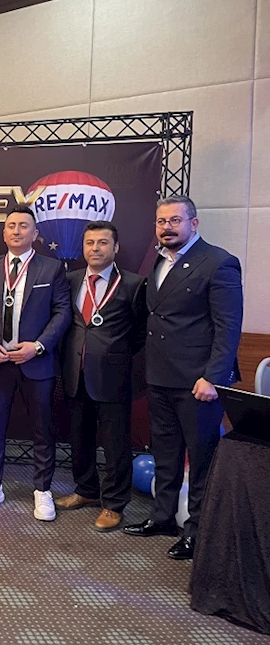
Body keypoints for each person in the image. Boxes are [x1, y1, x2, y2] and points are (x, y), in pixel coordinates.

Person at [123, 196, 243, 560]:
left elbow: (228, 327)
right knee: (165, 454)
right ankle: (161, 518)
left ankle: (196, 533)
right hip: (160, 377)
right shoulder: (160, 260)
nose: (167, 228)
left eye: (175, 220)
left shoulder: (219, 262)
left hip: (198, 384)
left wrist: (213, 378)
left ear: (194, 223)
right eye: (161, 221)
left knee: (201, 460)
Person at [0, 205, 70, 521]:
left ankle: (43, 490)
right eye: (11, 225)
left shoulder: (51, 268)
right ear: (4, 233)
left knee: (42, 429)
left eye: (23, 226)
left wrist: (37, 347)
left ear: (35, 234)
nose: (16, 230)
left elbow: (62, 312)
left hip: (35, 363)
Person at [55, 222, 147, 531]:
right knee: (79, 437)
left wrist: (112, 353)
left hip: (113, 376)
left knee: (114, 443)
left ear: (115, 247)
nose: (95, 248)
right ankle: (86, 490)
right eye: (90, 242)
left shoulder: (134, 284)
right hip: (74, 373)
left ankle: (114, 504)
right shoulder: (69, 280)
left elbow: (140, 332)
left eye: (103, 242)